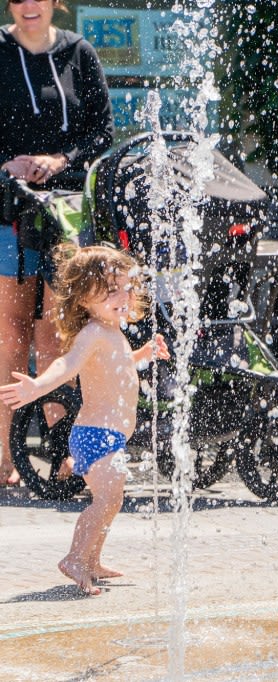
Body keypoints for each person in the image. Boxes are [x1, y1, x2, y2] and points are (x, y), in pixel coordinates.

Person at [0, 246, 168, 595]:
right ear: (84, 300)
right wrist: (38, 386)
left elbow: (118, 367)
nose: (123, 296)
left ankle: (92, 560)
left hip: (110, 437)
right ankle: (75, 558)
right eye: (110, 292)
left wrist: (143, 354)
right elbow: (67, 366)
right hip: (95, 435)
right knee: (105, 501)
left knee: (112, 500)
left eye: (126, 288)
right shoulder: (92, 333)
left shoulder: (112, 332)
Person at [0, 0, 114, 486]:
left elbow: (102, 131)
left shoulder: (79, 53)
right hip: (7, 212)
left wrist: (60, 159)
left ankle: (60, 456)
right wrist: (9, 163)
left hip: (66, 216)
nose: (29, 6)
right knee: (10, 334)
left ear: (53, 4)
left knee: (55, 336)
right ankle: (5, 456)